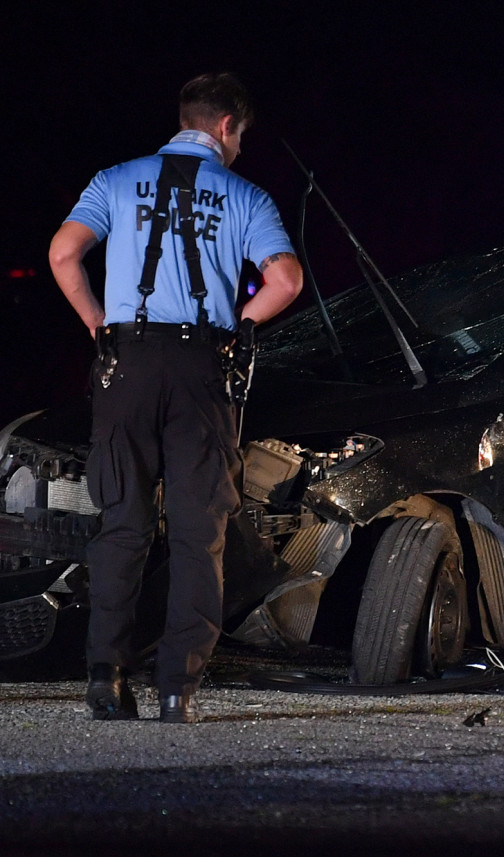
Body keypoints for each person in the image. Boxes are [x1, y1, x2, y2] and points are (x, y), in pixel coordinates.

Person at [48, 73, 304, 723]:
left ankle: (105, 678)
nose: (240, 149)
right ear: (225, 127)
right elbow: (285, 279)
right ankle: (176, 689)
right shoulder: (245, 194)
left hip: (126, 361)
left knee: (123, 525)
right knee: (199, 534)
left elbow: (62, 254)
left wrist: (95, 322)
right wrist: (245, 323)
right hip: (202, 367)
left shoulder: (113, 179)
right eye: (240, 137)